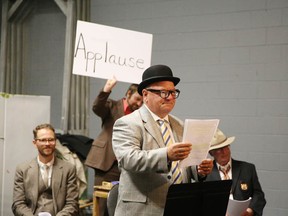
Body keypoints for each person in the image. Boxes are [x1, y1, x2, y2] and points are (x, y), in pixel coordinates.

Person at [112, 64, 213, 215]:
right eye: (164, 93)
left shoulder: (179, 125)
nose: (171, 97)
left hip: (179, 205)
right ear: (145, 95)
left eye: (173, 92)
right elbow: (128, 159)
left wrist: (197, 170)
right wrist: (166, 155)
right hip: (144, 209)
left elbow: (183, 165)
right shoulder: (128, 123)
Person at [85, 77, 143, 216]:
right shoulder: (112, 106)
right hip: (107, 162)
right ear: (128, 93)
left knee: (123, 204)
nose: (139, 103)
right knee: (102, 206)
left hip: (128, 164)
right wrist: (107, 89)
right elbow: (97, 107)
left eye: (142, 101)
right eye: (137, 99)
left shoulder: (140, 114)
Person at [12, 123, 79, 216]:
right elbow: (18, 204)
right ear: (35, 143)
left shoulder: (69, 169)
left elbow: (72, 204)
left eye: (51, 140)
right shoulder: (22, 169)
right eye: (43, 140)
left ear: (55, 141)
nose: (47, 144)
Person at [206, 129, 266, 216]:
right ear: (211, 153)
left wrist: (250, 211)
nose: (225, 152)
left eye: (226, 147)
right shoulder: (205, 173)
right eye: (220, 149)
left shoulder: (247, 168)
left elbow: (258, 195)